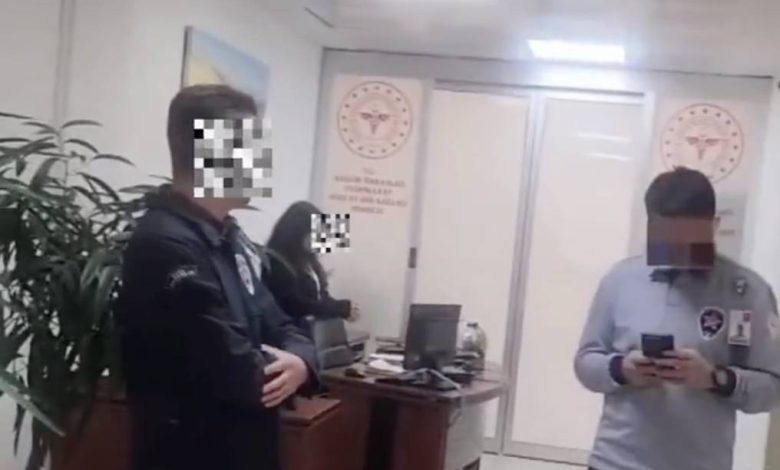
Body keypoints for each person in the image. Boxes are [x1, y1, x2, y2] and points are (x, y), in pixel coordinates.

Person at [117, 85, 318, 470]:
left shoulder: (229, 236)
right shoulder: (165, 244)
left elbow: (281, 323)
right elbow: (240, 373)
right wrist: (291, 363)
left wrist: (302, 362)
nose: (265, 164)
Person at [574, 167, 780, 470]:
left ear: (714, 225)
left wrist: (714, 378)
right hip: (614, 461)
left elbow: (773, 390)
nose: (678, 253)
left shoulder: (748, 292)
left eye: (690, 243)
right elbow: (585, 362)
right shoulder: (620, 280)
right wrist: (621, 369)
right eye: (667, 241)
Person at [263, 201, 359, 330]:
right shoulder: (275, 261)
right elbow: (294, 305)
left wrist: (342, 308)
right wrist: (337, 308)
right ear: (297, 233)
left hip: (309, 333)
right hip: (288, 334)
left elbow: (320, 298)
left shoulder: (309, 261)